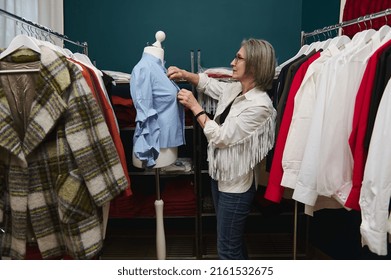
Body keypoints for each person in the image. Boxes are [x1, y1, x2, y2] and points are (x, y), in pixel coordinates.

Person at [167, 38, 277, 259]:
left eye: (239, 58)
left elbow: (221, 137)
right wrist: (186, 75)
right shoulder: (237, 89)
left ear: (254, 65)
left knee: (227, 250)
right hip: (220, 176)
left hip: (236, 188)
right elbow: (211, 86)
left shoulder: (260, 106)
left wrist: (195, 107)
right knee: (231, 243)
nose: (232, 62)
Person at [130, 31, 185, 169]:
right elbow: (144, 111)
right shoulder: (144, 68)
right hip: (155, 146)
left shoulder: (161, 68)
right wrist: (147, 149)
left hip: (167, 144)